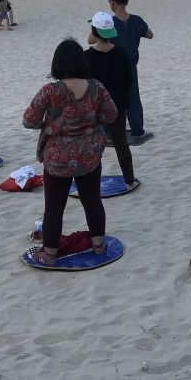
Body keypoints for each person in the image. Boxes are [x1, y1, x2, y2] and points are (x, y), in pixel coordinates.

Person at [23, 39, 117, 266]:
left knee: (54, 207)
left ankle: (50, 254)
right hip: (89, 154)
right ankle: (98, 245)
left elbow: (29, 120)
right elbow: (111, 115)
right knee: (92, 201)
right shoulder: (96, 87)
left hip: (58, 157)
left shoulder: (50, 91)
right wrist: (91, 121)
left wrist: (49, 124)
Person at [85, 12, 137, 190]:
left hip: (95, 107)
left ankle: (91, 183)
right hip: (118, 105)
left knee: (95, 145)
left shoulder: (87, 56)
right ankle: (129, 180)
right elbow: (128, 79)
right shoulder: (120, 53)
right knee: (121, 143)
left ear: (94, 31)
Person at [107, 0, 154, 144]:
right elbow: (150, 34)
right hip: (131, 65)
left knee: (112, 98)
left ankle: (109, 131)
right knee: (133, 98)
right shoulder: (136, 20)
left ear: (112, 3)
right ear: (126, 2)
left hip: (113, 66)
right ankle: (137, 129)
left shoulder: (110, 22)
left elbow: (92, 39)